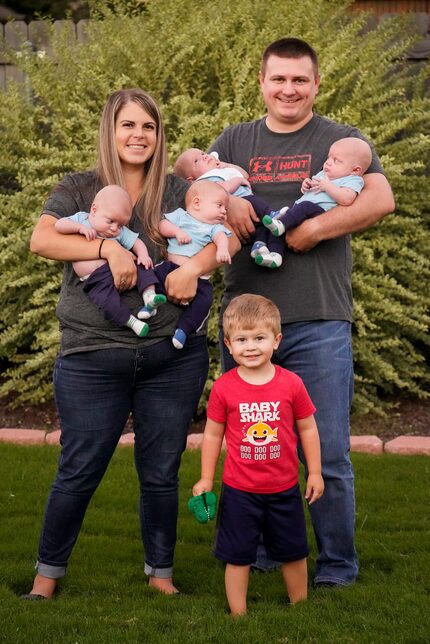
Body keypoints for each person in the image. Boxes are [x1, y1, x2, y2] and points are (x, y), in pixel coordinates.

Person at [24, 88, 239, 600]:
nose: (138, 135)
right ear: (110, 131)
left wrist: (190, 266)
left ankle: (160, 574)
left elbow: (220, 232)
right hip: (92, 355)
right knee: (79, 468)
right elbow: (43, 240)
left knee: (162, 471)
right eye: (128, 125)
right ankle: (45, 578)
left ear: (159, 135)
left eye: (148, 126)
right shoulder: (79, 188)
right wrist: (104, 248)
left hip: (172, 356)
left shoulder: (177, 191)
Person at [209, 37, 395, 588]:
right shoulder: (236, 139)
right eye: (278, 79)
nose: (288, 89)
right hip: (247, 325)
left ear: (316, 84)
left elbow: (380, 200)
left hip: (318, 318)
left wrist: (315, 227)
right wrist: (232, 198)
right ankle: (261, 553)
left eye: (299, 80)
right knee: (251, 450)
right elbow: (190, 178)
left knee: (329, 452)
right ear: (262, 82)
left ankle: (336, 565)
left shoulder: (342, 139)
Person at [192, 294, 324, 615]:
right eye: (241, 339)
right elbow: (212, 434)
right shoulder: (224, 388)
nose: (250, 346)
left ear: (276, 340)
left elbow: (307, 428)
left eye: (259, 338)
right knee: (237, 555)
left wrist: (316, 471)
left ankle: (300, 606)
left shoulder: (291, 384)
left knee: (293, 551)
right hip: (239, 491)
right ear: (228, 344)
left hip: (284, 488)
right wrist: (206, 478)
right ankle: (239, 614)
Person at [54, 184, 167, 338]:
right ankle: (132, 322)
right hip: (96, 278)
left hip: (120, 269)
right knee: (106, 301)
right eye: (110, 221)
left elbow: (136, 242)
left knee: (143, 266)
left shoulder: (118, 232)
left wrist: (143, 255)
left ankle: (150, 296)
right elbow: (59, 225)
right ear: (94, 210)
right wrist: (79, 228)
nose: (115, 228)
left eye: (120, 225)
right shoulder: (82, 219)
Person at [147, 179, 231, 349]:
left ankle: (184, 330)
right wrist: (176, 232)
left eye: (226, 209)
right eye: (220, 205)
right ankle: (149, 302)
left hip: (198, 279)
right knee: (149, 275)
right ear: (197, 203)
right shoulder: (181, 216)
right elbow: (163, 225)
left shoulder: (214, 228)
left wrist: (222, 249)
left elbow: (221, 238)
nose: (224, 212)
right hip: (170, 266)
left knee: (205, 300)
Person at [174, 147, 287, 268]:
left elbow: (245, 175)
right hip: (245, 201)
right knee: (261, 209)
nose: (204, 156)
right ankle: (271, 214)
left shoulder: (220, 170)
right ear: (191, 180)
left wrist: (227, 165)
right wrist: (237, 181)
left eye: (203, 153)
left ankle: (260, 247)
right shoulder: (205, 183)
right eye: (196, 161)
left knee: (265, 229)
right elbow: (223, 189)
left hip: (246, 212)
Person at [262, 137, 371, 236]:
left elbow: (347, 199)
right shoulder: (323, 174)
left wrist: (328, 187)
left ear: (355, 170)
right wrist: (307, 185)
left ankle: (281, 226)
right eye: (329, 158)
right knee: (281, 225)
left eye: (336, 160)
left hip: (320, 212)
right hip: (301, 208)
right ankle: (274, 252)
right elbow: (312, 189)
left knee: (303, 207)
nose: (328, 163)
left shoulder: (353, 180)